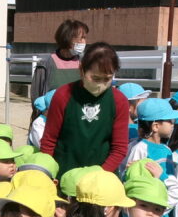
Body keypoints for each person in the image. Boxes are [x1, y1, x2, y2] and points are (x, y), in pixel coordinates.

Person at [40, 42, 129, 174]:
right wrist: (49, 172)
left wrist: (98, 175)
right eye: (95, 78)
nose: (100, 84)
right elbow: (49, 141)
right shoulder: (63, 95)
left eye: (107, 79)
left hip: (102, 177)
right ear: (82, 70)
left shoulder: (119, 101)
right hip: (64, 173)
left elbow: (119, 148)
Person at [29, 19, 90, 108]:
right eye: (80, 38)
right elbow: (36, 96)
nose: (83, 42)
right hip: (52, 114)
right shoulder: (45, 64)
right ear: (67, 38)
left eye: (84, 38)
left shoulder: (84, 63)